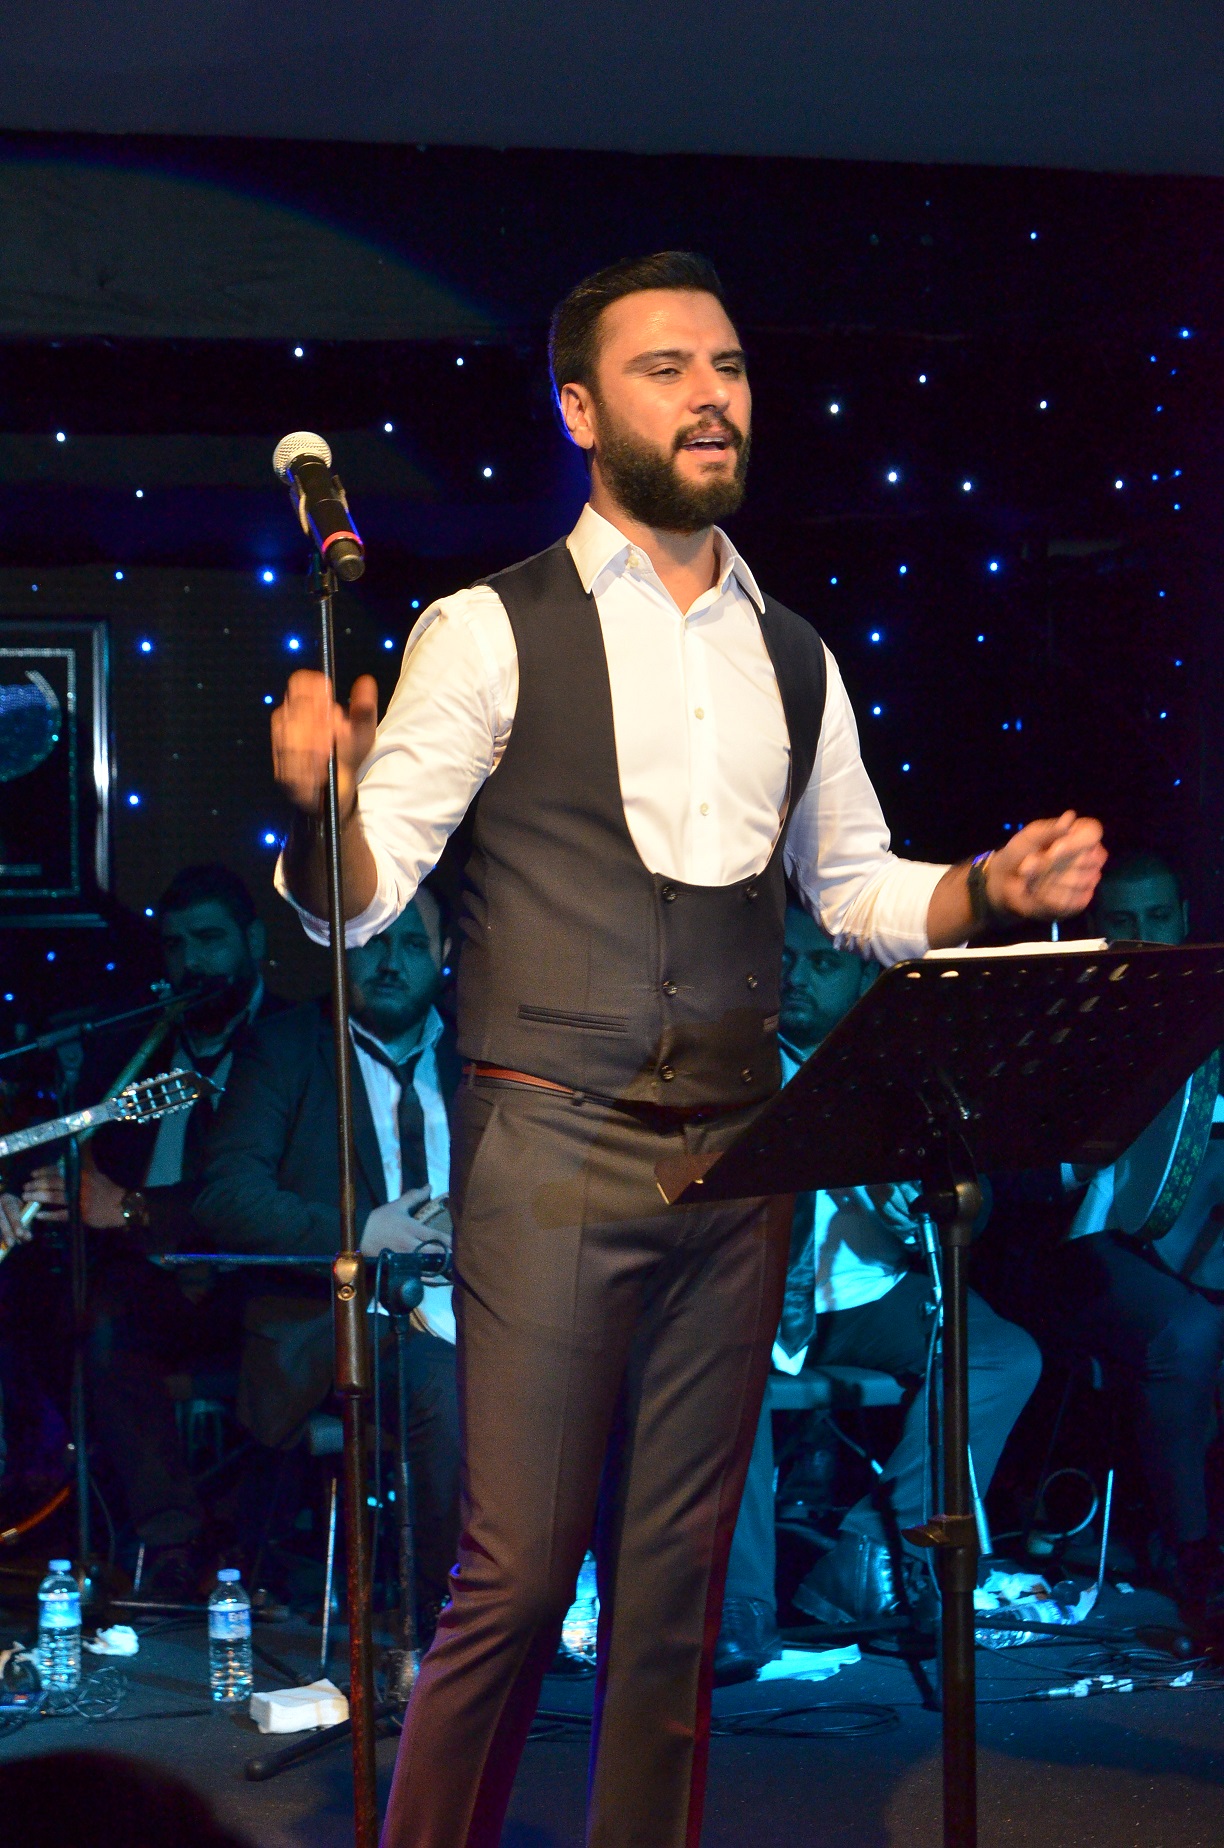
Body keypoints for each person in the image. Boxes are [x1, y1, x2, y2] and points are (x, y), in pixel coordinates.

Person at [269, 251, 1105, 1848]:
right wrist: (321, 814)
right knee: (519, 1578)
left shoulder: (790, 650)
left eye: (727, 365)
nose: (711, 394)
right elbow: (357, 904)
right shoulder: (487, 630)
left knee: (675, 1598)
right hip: (550, 1144)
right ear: (582, 410)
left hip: (740, 1162)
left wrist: (987, 891)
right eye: (666, 368)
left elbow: (854, 889)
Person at [714, 905, 1042, 1683]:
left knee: (1001, 1356)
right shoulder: (728, 1062)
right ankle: (737, 1606)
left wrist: (923, 1205)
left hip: (865, 1295)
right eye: (785, 960)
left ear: (865, 976)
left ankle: (874, 1553)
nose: (796, 978)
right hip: (746, 1298)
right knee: (717, 1375)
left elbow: (972, 1200)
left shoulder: (899, 1069)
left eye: (823, 964)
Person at [192, 892, 461, 1635]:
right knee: (445, 1385)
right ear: (341, 951)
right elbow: (226, 1197)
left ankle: (553, 1606)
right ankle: (449, 1631)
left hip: (481, 1307)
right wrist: (360, 1233)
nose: (391, 962)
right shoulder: (285, 1048)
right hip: (340, 1321)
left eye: (413, 944)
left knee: (596, 1364)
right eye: (373, 943)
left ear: (445, 956)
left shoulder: (476, 1053)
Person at [18, 864, 280, 1589]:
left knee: (295, 1341)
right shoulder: (133, 1040)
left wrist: (134, 1206)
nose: (192, 962)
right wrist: (30, 1192)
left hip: (254, 1275)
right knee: (89, 1322)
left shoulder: (295, 1040)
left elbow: (265, 1192)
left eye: (210, 940)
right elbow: (65, 1143)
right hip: (144, 1275)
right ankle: (169, 1543)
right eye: (174, 945)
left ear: (254, 942)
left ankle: (247, 1541)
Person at [1009, 851, 1224, 1628]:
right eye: (1125, 921)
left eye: (1159, 916)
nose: (1146, 936)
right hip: (1083, 1251)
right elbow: (1015, 1177)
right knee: (1188, 1332)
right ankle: (1194, 1556)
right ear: (1098, 926)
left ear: (1185, 917)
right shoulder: (1066, 1020)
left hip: (1199, 1244)